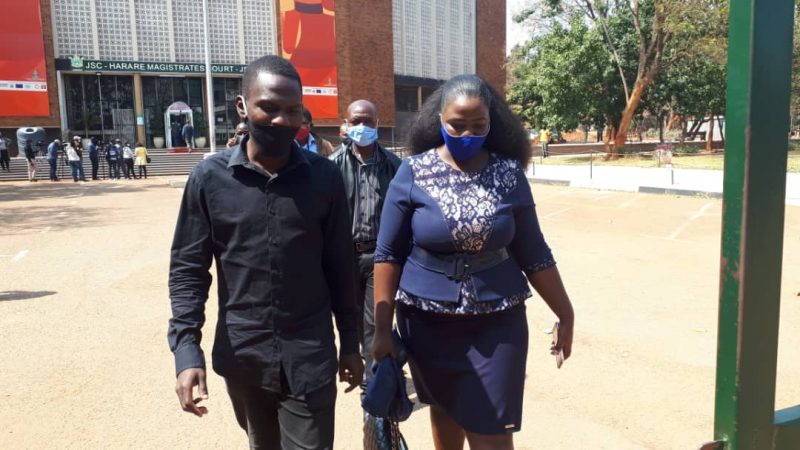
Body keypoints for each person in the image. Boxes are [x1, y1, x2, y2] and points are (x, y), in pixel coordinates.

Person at [168, 54, 363, 449]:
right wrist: (187, 351)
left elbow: (341, 267)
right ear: (243, 107)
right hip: (244, 357)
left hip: (310, 355)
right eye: (268, 108)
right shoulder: (209, 179)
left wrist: (350, 342)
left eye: (293, 111)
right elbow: (188, 269)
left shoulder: (324, 178)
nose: (281, 120)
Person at [371, 74, 575, 450]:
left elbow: (534, 252)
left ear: (492, 122)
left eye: (478, 125)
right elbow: (388, 255)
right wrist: (382, 330)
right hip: (426, 321)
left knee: (492, 432)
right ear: (439, 120)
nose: (467, 134)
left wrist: (566, 312)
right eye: (457, 125)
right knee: (444, 412)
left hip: (497, 322)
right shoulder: (413, 172)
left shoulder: (508, 173)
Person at [329, 99, 401, 398]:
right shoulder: (331, 166)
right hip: (345, 258)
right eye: (356, 121)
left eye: (368, 121)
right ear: (345, 124)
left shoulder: (395, 166)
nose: (362, 127)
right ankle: (366, 364)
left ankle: (374, 390)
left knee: (376, 322)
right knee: (352, 319)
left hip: (381, 258)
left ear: (377, 123)